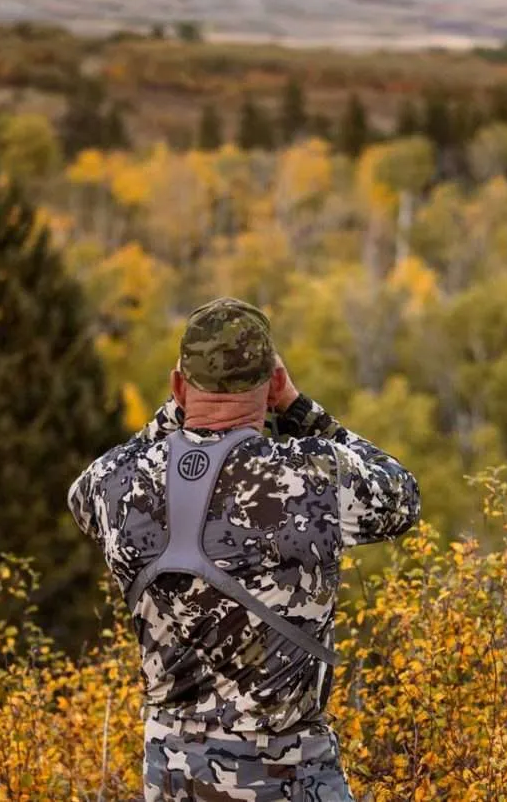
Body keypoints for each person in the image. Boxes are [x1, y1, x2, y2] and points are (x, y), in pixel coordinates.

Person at [68, 297, 421, 801]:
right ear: (273, 384)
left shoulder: (118, 482)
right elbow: (401, 494)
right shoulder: (312, 477)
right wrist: (298, 408)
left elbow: (83, 497)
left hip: (171, 775)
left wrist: (175, 416)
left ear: (178, 387)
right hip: (289, 774)